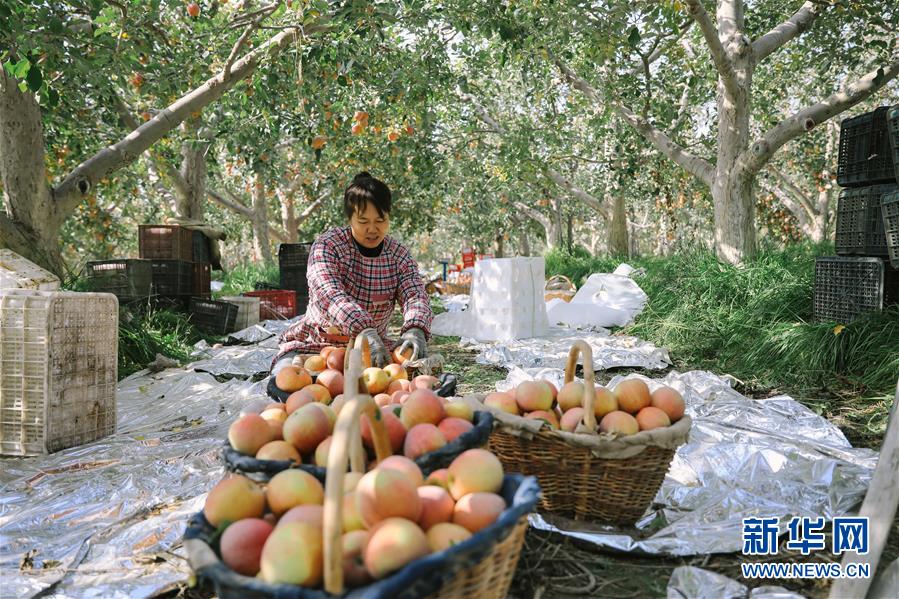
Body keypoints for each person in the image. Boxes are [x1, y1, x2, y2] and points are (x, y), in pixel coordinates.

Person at [272, 172, 433, 374]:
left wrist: (415, 327)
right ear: (350, 219)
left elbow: (415, 294)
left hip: (374, 350)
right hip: (318, 345)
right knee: (286, 376)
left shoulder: (398, 255)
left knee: (418, 376)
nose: (372, 229)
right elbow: (329, 294)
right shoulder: (328, 246)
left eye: (380, 220)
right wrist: (363, 329)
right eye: (363, 221)